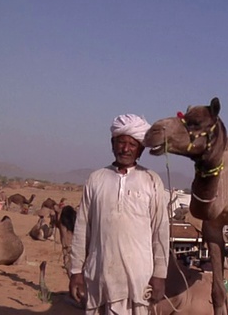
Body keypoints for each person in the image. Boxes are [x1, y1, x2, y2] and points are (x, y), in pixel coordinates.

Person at [69, 114, 170, 315]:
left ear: (141, 148)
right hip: (99, 276)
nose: (125, 149)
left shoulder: (151, 180)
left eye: (132, 144)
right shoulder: (96, 179)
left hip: (138, 279)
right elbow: (82, 230)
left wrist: (159, 275)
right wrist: (76, 272)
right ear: (112, 144)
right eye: (121, 142)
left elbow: (160, 231)